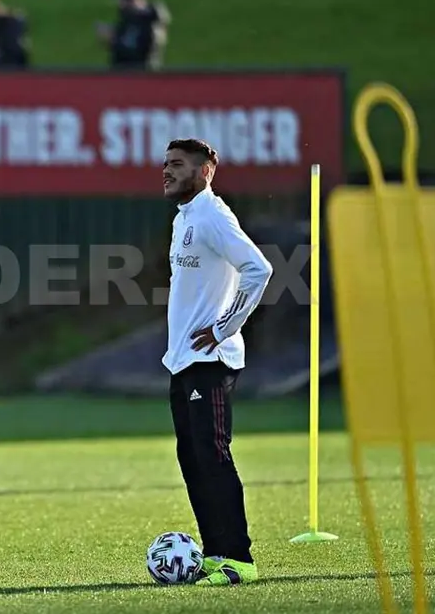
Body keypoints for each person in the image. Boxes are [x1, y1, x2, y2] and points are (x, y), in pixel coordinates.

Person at [161, 138, 272, 586]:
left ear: (206, 171)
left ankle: (237, 559)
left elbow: (258, 269)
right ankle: (213, 553)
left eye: (178, 164)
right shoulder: (185, 218)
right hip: (183, 361)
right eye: (166, 163)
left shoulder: (211, 215)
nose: (167, 171)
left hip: (211, 360)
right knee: (193, 457)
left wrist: (225, 327)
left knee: (213, 455)